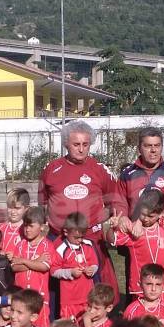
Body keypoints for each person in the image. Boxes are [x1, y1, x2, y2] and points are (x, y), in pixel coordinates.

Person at [38, 120, 121, 292]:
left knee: (96, 287)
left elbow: (115, 200)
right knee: (59, 287)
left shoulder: (100, 170)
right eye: (76, 144)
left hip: (91, 239)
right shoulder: (51, 169)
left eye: (85, 144)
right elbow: (44, 201)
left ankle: (100, 317)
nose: (81, 149)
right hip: (59, 239)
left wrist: (103, 218)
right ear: (66, 144)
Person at [115, 127, 164, 225]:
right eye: (148, 146)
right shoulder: (127, 175)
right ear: (139, 149)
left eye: (157, 145)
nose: (153, 150)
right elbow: (119, 203)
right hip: (137, 234)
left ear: (162, 147)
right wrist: (123, 217)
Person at [107, 188, 164, 299]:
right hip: (141, 287)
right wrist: (112, 228)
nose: (145, 219)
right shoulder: (134, 231)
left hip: (162, 285)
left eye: (150, 216)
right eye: (143, 214)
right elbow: (112, 240)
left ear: (160, 214)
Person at [9, 207, 52, 327]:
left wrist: (23, 261)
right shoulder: (21, 244)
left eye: (31, 226)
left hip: (39, 297)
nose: (27, 230)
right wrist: (35, 261)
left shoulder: (46, 245)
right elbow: (14, 267)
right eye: (25, 226)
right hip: (20, 296)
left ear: (42, 227)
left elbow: (43, 267)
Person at [51, 212, 100, 318]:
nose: (80, 240)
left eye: (82, 237)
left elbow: (95, 263)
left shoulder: (88, 244)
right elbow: (54, 271)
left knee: (87, 324)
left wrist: (92, 269)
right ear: (66, 232)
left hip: (87, 296)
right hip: (69, 299)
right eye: (76, 237)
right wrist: (70, 272)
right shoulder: (61, 249)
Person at [1, 188, 30, 255]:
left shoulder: (28, 229)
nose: (13, 212)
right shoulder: (1, 227)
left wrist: (15, 255)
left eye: (17, 208)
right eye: (10, 207)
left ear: (26, 208)